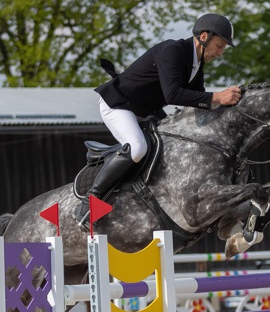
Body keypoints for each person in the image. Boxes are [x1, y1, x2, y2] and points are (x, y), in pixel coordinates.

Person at [75, 13, 244, 227]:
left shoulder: (196, 64)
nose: (220, 53)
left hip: (146, 111)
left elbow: (197, 100)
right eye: (219, 46)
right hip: (118, 104)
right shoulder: (173, 50)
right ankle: (90, 202)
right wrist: (218, 96)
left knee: (172, 147)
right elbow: (172, 95)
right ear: (204, 37)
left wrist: (229, 109)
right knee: (137, 148)